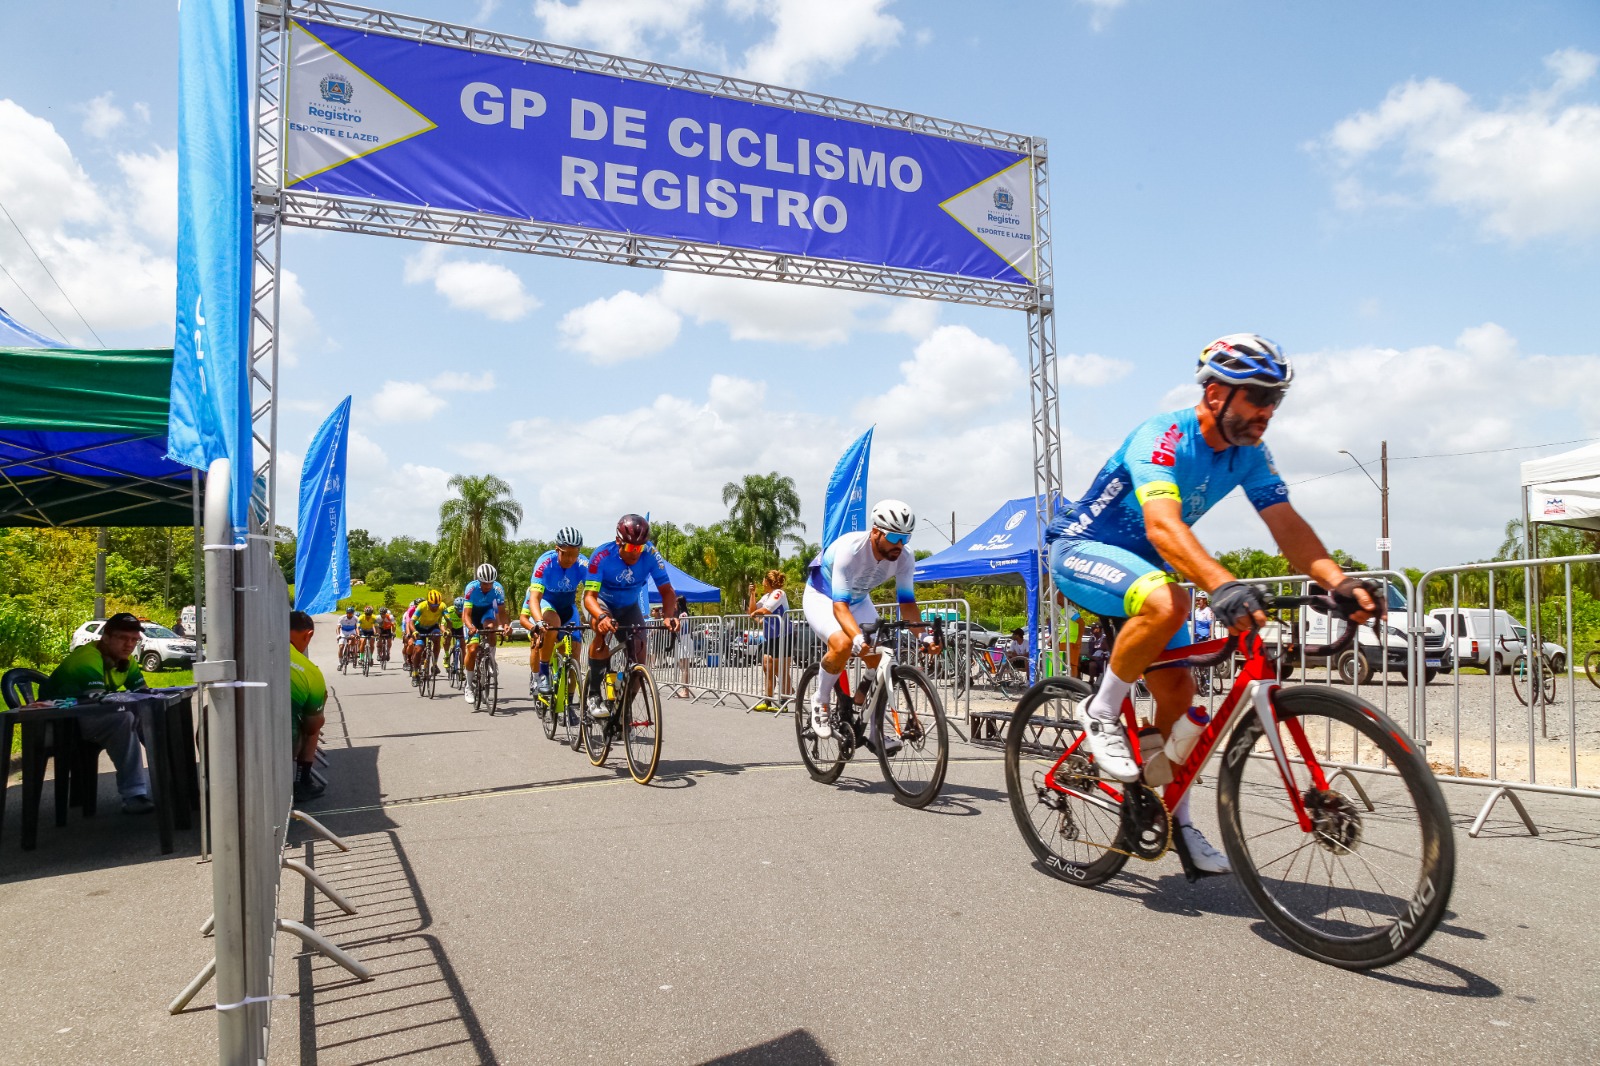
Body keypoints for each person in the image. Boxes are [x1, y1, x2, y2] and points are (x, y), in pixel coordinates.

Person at [1044, 333, 1382, 874]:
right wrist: (1222, 583)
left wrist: (1338, 582)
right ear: (1218, 393)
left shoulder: (1250, 454)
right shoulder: (1162, 437)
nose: (1269, 411)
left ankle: (1175, 820)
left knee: (1179, 696)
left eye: (1277, 399)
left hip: (1147, 570)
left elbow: (1287, 526)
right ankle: (1100, 710)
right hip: (1082, 551)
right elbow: (1162, 524)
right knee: (1170, 600)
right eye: (1258, 396)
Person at [801, 500, 923, 753]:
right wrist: (857, 636)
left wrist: (925, 637)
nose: (900, 544)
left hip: (858, 600)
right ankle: (821, 700)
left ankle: (876, 731)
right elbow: (839, 606)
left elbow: (908, 603)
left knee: (883, 659)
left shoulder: (905, 556)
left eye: (906, 537)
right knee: (844, 644)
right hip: (824, 597)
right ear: (876, 531)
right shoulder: (850, 549)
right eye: (894, 536)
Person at [42, 612, 155, 815]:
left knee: (147, 712)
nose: (129, 644)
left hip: (87, 715)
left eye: (134, 640)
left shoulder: (125, 660)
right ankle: (133, 795)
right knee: (123, 718)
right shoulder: (87, 658)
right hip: (61, 723)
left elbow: (143, 693)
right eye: (122, 638)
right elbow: (98, 699)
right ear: (106, 637)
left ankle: (171, 781)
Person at [581, 514, 679, 719]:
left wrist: (669, 616)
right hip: (601, 603)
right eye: (631, 548)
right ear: (619, 541)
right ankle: (593, 695)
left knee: (639, 655)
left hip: (628, 606)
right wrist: (601, 617)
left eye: (640, 548)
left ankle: (623, 710)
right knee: (601, 632)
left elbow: (668, 591)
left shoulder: (650, 554)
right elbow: (590, 597)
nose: (636, 553)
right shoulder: (601, 555)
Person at [521, 527, 589, 697]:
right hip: (547, 603)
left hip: (568, 607)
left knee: (575, 653)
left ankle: (570, 702)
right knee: (553, 623)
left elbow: (592, 594)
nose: (570, 559)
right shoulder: (545, 562)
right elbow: (535, 598)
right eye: (566, 554)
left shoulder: (583, 564)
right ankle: (543, 673)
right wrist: (538, 621)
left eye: (574, 554)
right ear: (557, 549)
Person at [288, 611, 327, 802]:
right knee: (314, 724)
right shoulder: (312, 673)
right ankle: (302, 781)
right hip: (281, 741)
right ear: (308, 635)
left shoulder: (254, 648)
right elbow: (312, 726)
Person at [462, 564, 508, 703]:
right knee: (473, 648)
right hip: (472, 615)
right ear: (479, 580)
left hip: (487, 613)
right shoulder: (471, 589)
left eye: (490, 583)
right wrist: (470, 627)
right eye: (485, 583)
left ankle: (491, 660)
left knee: (491, 628)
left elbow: (501, 612)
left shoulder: (498, 589)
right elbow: (466, 614)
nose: (488, 586)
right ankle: (469, 686)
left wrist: (505, 625)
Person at [748, 570, 792, 712]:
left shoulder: (778, 593)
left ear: (768, 581)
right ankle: (768, 701)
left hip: (784, 635)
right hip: (770, 637)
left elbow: (766, 610)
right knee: (767, 666)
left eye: (763, 580)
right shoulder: (767, 596)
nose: (761, 583)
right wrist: (753, 594)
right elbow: (752, 610)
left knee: (781, 670)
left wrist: (756, 615)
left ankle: (784, 701)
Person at [410, 590, 448, 677]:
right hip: (420, 628)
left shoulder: (442, 606)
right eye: (432, 605)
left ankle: (434, 664)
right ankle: (415, 672)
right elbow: (411, 622)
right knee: (419, 649)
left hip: (433, 627)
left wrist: (447, 630)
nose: (435, 607)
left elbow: (448, 621)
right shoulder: (422, 606)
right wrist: (414, 631)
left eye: (437, 605)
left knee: (437, 639)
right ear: (428, 602)